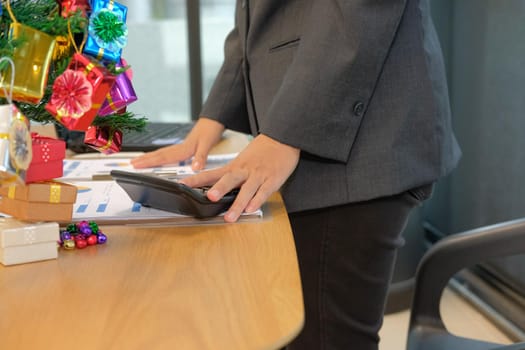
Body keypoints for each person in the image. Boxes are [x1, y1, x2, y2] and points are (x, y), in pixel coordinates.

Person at [131, 0, 461, 349]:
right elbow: (253, 15)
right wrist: (215, 115)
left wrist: (286, 133)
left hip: (353, 139)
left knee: (324, 338)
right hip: (308, 128)